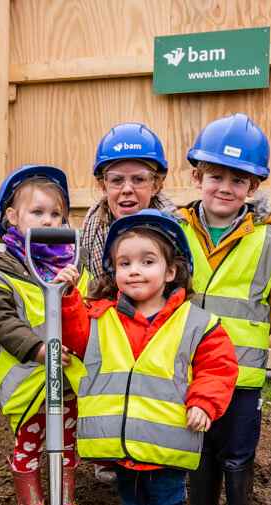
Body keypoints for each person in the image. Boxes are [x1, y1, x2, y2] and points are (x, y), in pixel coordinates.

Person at [58, 209, 238, 505]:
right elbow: (75, 337)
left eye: (147, 261)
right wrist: (68, 297)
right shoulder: (102, 316)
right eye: (124, 263)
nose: (134, 271)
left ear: (171, 271)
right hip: (122, 445)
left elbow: (218, 366)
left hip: (165, 442)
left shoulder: (196, 323)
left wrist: (205, 403)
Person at [176, 114, 271, 505]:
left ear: (255, 184)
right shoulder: (176, 230)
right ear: (197, 176)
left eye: (238, 179)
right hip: (188, 367)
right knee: (196, 441)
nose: (225, 187)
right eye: (216, 176)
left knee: (237, 450)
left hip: (242, 376)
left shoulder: (270, 242)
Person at [0, 165, 90, 505]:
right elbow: (0, 319)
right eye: (37, 212)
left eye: (56, 214)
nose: (48, 220)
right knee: (30, 443)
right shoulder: (0, 267)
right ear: (12, 216)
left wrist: (71, 291)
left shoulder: (70, 263)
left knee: (67, 442)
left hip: (67, 375)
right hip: (28, 379)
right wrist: (38, 349)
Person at [79, 123, 177, 485]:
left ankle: (155, 446)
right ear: (102, 184)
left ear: (158, 183)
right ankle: (109, 444)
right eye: (116, 180)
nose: (127, 190)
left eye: (138, 179)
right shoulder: (90, 231)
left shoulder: (175, 229)